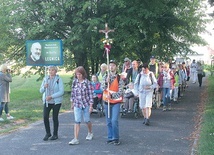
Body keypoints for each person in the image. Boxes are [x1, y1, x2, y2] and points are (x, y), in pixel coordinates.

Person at [69, 66, 94, 145]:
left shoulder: (87, 82)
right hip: (77, 104)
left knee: (87, 120)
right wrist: (72, 103)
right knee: (77, 121)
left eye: (80, 74)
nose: (78, 76)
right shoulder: (74, 82)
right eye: (77, 74)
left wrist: (91, 105)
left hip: (86, 104)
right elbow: (72, 93)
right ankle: (75, 138)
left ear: (83, 74)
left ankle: (90, 132)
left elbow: (91, 94)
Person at [102, 60, 124, 145]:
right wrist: (105, 82)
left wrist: (112, 96)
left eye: (113, 65)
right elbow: (102, 88)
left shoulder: (119, 78)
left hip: (115, 102)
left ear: (116, 67)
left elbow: (121, 91)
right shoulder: (106, 77)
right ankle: (110, 137)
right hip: (106, 102)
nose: (111, 67)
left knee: (114, 120)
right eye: (110, 65)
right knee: (108, 121)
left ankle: (116, 138)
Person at [39, 66, 64, 141]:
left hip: (56, 102)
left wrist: (52, 96)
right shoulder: (45, 79)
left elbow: (61, 91)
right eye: (49, 70)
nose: (50, 71)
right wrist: (44, 87)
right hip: (47, 101)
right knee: (45, 116)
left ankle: (55, 134)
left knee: (54, 117)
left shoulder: (59, 79)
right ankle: (48, 133)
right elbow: (40, 91)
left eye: (52, 70)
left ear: (56, 71)